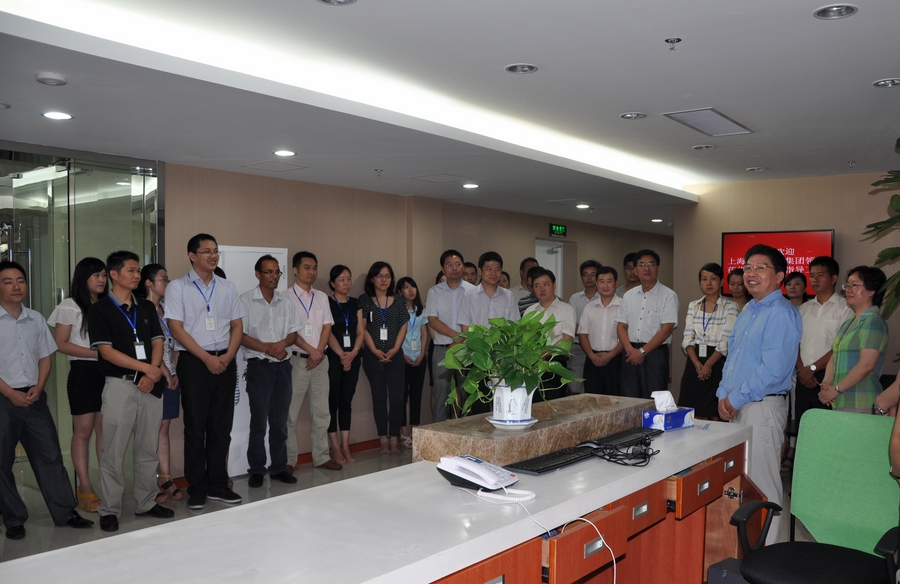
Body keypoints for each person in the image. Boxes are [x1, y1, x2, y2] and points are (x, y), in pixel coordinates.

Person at [0, 260, 94, 540]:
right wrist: (10, 392)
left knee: (50, 455)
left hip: (34, 397)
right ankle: (14, 518)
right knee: (2, 462)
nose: (16, 286)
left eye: (20, 280)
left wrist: (39, 387)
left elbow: (45, 356)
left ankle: (65, 511)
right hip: (4, 397)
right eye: (8, 281)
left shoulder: (36, 319)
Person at [717, 244, 801, 545]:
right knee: (740, 482)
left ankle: (769, 554)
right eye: (748, 267)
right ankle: (744, 550)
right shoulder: (748, 311)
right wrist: (723, 394)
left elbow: (773, 371)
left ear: (779, 276)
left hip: (762, 406)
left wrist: (734, 398)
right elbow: (733, 359)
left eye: (761, 267)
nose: (751, 273)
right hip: (737, 404)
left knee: (763, 483)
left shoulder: (781, 313)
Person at [88, 250, 172, 532]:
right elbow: (107, 352)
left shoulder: (145, 307)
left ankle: (146, 502)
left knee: (148, 448)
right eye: (131, 270)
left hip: (151, 385)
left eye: (138, 270)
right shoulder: (100, 310)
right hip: (120, 385)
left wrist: (153, 371)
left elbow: (158, 341)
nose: (137, 275)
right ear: (114, 274)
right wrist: (146, 369)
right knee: (113, 450)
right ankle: (110, 509)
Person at [165, 233, 245, 510]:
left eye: (216, 251)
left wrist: (228, 356)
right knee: (195, 428)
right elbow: (176, 329)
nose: (213, 255)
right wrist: (206, 358)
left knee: (221, 428)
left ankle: (218, 485)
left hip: (225, 360)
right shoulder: (177, 287)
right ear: (192, 255)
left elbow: (237, 325)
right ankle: (197, 487)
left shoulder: (227, 287)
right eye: (207, 251)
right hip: (195, 363)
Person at [48, 256, 108, 513]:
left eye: (104, 275)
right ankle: (84, 486)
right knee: (83, 431)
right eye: (96, 275)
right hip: (83, 372)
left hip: (108, 372)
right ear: (84, 278)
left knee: (105, 431)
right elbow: (60, 344)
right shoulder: (69, 306)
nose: (102, 280)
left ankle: (107, 484)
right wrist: (97, 354)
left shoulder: (107, 305)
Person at [784, 256, 852, 472]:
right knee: (804, 428)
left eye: (820, 275)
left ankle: (825, 474)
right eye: (811, 275)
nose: (814, 279)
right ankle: (803, 475)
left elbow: (840, 347)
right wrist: (802, 369)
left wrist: (813, 369)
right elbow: (794, 343)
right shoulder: (803, 309)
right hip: (803, 376)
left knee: (827, 430)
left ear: (834, 278)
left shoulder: (845, 308)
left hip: (828, 378)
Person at [240, 255, 301, 488]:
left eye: (277, 272)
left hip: (283, 367)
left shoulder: (285, 301)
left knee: (280, 422)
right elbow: (240, 335)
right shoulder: (246, 300)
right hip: (259, 367)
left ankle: (278, 467)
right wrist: (268, 348)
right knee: (258, 422)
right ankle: (256, 469)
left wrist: (281, 345)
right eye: (269, 272)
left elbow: (293, 333)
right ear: (258, 274)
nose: (274, 276)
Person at [284, 251, 340, 472]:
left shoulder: (322, 297)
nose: (312, 272)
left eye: (314, 267)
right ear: (295, 270)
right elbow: (290, 331)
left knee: (321, 413)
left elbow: (327, 327)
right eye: (307, 267)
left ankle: (322, 456)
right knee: (290, 414)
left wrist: (318, 353)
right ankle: (288, 460)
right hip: (297, 360)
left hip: (320, 362)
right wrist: (311, 351)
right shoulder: (285, 297)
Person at [136, 263, 183, 503]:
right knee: (151, 428)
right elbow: (146, 347)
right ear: (149, 283)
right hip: (154, 375)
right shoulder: (142, 310)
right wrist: (164, 372)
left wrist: (174, 370)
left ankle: (165, 476)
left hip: (171, 375)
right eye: (163, 279)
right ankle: (149, 482)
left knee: (164, 427)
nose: (167, 283)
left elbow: (174, 343)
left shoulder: (165, 309)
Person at [819, 266, 889, 413]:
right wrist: (826, 385)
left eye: (855, 285)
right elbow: (834, 356)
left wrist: (836, 389)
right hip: (840, 400)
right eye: (847, 285)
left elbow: (866, 365)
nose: (848, 290)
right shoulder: (848, 323)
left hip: (861, 402)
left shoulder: (874, 322)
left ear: (871, 291)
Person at [457, 252, 519, 414]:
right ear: (480, 271)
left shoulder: (509, 296)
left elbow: (514, 328)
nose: (493, 273)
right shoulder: (468, 296)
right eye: (489, 269)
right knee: (479, 405)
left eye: (497, 269)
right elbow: (465, 329)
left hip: (502, 359)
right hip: (477, 357)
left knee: (503, 403)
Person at [359, 262, 409, 455]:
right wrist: (374, 350)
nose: (383, 280)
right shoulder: (365, 300)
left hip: (395, 356)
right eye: (379, 276)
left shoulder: (398, 300)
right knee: (379, 398)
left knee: (397, 399)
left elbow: (403, 325)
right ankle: (383, 439)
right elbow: (362, 328)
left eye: (387, 276)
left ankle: (394, 438)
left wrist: (395, 349)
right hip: (373, 357)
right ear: (372, 278)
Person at [616, 249, 679, 399]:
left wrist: (642, 352)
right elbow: (621, 326)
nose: (646, 268)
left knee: (653, 400)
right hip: (630, 352)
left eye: (651, 264)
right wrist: (630, 349)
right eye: (642, 264)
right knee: (629, 399)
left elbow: (666, 330)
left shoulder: (669, 296)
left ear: (658, 268)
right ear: (635, 270)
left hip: (654, 354)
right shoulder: (629, 295)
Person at [678, 263, 738, 420]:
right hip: (694, 361)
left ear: (721, 281)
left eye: (713, 279)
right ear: (700, 283)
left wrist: (709, 364)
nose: (708, 283)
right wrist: (696, 363)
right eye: (704, 279)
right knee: (691, 413)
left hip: (717, 361)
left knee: (714, 415)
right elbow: (687, 337)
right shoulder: (693, 305)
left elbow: (726, 340)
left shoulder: (731, 306)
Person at [425, 250, 475, 422]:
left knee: (468, 394)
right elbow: (433, 321)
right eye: (449, 265)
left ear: (463, 266)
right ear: (443, 269)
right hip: (442, 350)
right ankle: (439, 435)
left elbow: (475, 321)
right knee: (441, 396)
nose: (454, 268)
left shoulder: (473, 291)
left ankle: (468, 434)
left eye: (458, 264)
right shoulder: (434, 291)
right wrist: (457, 337)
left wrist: (461, 341)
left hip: (467, 350)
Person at [326, 265, 364, 464]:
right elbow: (327, 332)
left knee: (346, 402)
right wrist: (342, 355)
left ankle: (345, 446)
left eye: (348, 278)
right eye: (341, 279)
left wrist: (353, 353)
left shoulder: (356, 303)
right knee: (332, 402)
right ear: (332, 283)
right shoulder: (326, 302)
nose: (346, 283)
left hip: (354, 357)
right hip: (333, 358)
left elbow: (361, 332)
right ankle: (334, 447)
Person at [525, 267, 576, 401]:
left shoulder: (566, 309)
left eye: (546, 284)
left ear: (554, 285)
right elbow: (524, 339)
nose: (542, 289)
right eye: (537, 285)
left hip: (555, 364)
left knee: (553, 405)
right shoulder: (529, 311)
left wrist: (543, 353)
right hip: (532, 366)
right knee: (533, 404)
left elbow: (567, 339)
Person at [579, 266, 623, 396]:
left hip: (616, 360)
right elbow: (583, 335)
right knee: (592, 400)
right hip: (592, 360)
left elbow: (627, 336)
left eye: (609, 281)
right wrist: (592, 355)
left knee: (616, 400)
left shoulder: (624, 306)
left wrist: (610, 355)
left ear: (616, 283)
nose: (605, 285)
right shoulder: (589, 307)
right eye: (602, 281)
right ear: (597, 284)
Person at [397, 277, 428, 448]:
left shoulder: (420, 310)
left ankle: (414, 428)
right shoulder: (397, 310)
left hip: (419, 358)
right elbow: (396, 335)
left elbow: (424, 333)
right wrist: (402, 354)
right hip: (402, 357)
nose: (411, 290)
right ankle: (403, 431)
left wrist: (422, 354)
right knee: (402, 395)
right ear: (400, 291)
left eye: (413, 286)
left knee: (416, 395)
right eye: (406, 287)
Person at [568, 260, 602, 394]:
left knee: (596, 387)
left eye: (593, 274)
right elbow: (572, 323)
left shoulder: (604, 297)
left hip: (599, 348)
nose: (589, 278)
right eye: (585, 274)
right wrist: (586, 333)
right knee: (573, 386)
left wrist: (584, 331)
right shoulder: (575, 298)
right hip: (578, 347)